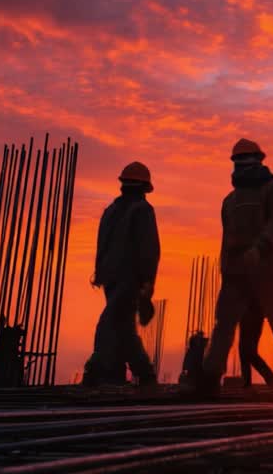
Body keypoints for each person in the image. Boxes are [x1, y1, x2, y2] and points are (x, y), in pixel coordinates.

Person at [200, 139, 273, 397]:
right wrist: (229, 268)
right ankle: (211, 376)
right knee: (226, 323)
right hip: (239, 272)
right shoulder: (231, 200)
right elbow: (227, 240)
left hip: (266, 268)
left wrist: (258, 250)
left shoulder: (271, 190)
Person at [82, 162, 160, 389]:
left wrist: (100, 272)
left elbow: (102, 244)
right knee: (120, 327)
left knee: (113, 324)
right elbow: (149, 250)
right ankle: (129, 373)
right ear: (144, 187)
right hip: (127, 278)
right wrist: (147, 282)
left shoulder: (112, 211)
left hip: (115, 278)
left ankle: (101, 371)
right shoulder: (141, 211)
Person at [238, 299, 273, 388]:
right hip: (252, 314)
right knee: (246, 351)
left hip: (251, 314)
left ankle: (270, 378)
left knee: (247, 351)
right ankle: (248, 382)